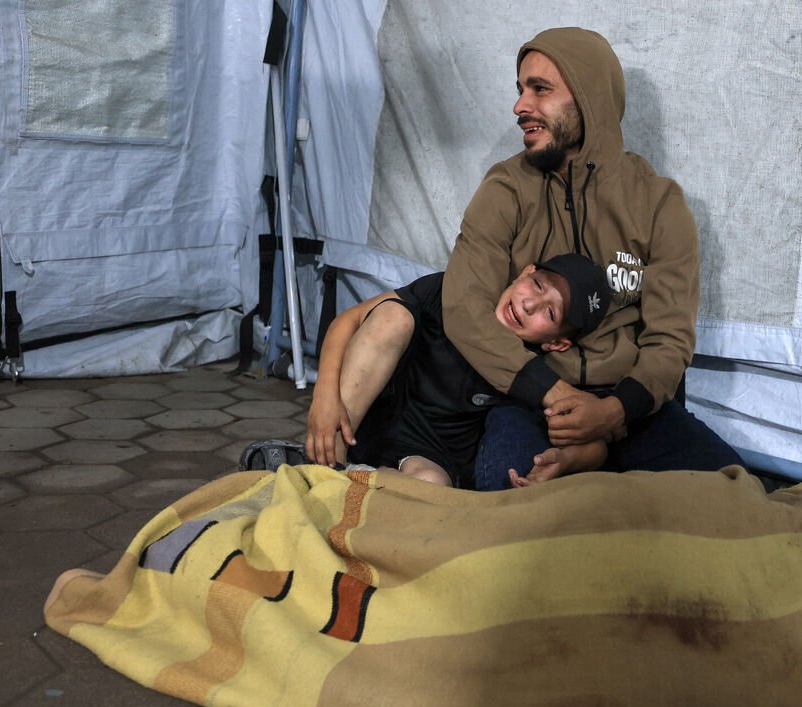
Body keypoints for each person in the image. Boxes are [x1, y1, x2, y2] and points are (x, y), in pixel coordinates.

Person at [440, 27, 743, 490]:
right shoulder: (506, 188)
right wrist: (555, 394)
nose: (521, 106)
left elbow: (670, 340)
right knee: (507, 504)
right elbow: (464, 309)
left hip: (632, 406)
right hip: (533, 399)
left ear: (589, 98)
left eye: (540, 89)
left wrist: (613, 413)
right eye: (521, 89)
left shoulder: (659, 204)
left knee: (732, 496)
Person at [301, 253, 613, 488]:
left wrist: (564, 460)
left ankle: (353, 482)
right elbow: (349, 320)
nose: (530, 305)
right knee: (393, 315)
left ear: (557, 343)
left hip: (430, 456)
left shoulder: (535, 373)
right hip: (365, 421)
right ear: (524, 273)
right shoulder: (453, 294)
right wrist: (324, 397)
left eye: (550, 311)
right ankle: (326, 464)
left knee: (431, 487)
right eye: (537, 285)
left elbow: (595, 442)